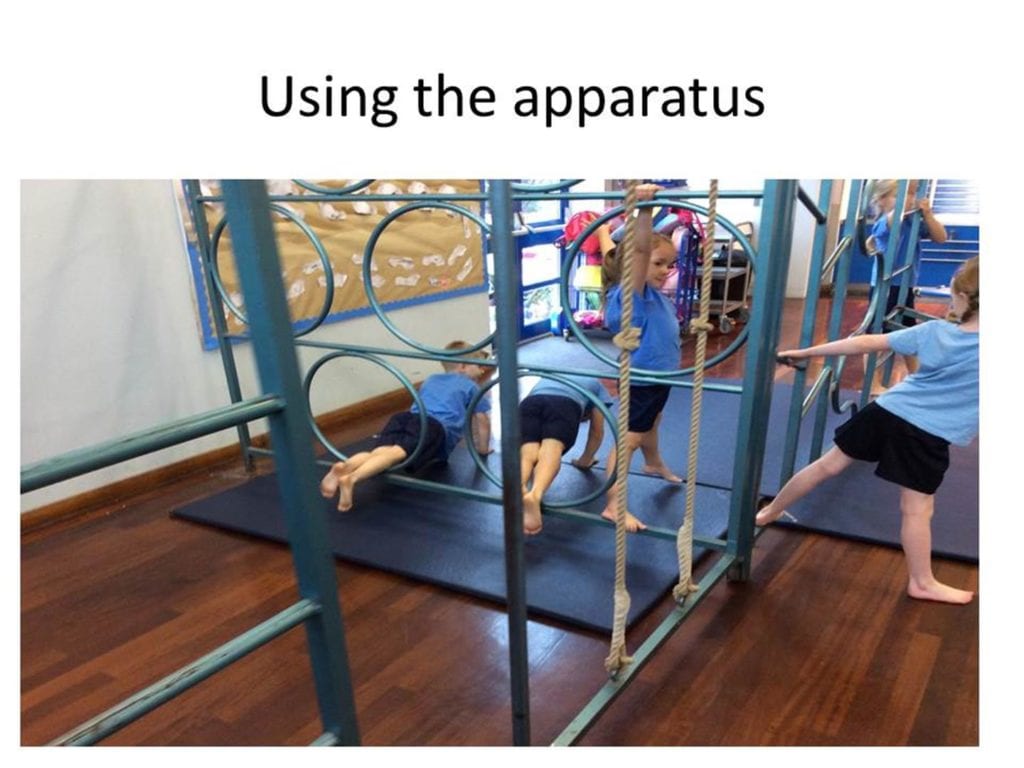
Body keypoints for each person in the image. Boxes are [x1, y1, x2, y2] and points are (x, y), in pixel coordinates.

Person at [757, 257, 979, 605]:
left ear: (964, 297)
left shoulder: (935, 331)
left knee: (827, 465)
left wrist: (805, 352)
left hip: (887, 410)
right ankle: (921, 582)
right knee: (917, 509)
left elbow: (864, 343)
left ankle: (768, 512)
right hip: (925, 433)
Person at [598, 183, 683, 533]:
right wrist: (644, 211)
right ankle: (613, 504)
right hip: (642, 379)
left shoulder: (656, 296)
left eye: (670, 264)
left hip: (659, 378)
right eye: (659, 263)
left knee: (653, 422)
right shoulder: (632, 294)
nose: (666, 270)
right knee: (629, 438)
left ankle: (653, 463)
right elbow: (640, 247)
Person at [320, 341, 492, 511]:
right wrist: (482, 449)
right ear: (463, 366)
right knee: (395, 454)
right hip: (432, 426)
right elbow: (482, 419)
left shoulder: (431, 379)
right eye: (479, 366)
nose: (482, 370)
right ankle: (352, 478)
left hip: (405, 417)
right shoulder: (471, 386)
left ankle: (346, 467)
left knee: (379, 452)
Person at [865, 179, 948, 390]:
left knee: (909, 335)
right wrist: (904, 202)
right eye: (901, 194)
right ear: (881, 200)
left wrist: (928, 214)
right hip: (885, 287)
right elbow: (893, 220)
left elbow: (941, 237)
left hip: (905, 286)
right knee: (876, 335)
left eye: (912, 194)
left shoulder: (914, 222)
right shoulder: (882, 222)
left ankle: (917, 380)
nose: (910, 199)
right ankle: (872, 384)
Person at [519, 374, 613, 536]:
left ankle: (519, 486)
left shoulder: (551, 376)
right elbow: (596, 431)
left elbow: (536, 399)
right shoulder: (598, 386)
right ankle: (535, 494)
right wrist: (585, 459)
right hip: (564, 405)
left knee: (528, 452)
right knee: (552, 448)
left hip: (530, 403)